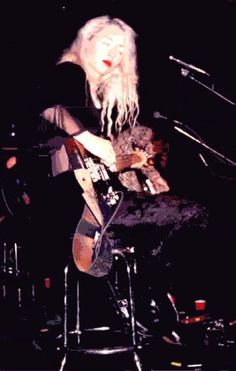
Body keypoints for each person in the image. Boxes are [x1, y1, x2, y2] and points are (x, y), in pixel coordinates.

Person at [30, 15, 209, 342]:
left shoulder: (86, 92)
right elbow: (39, 103)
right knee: (194, 214)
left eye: (121, 48)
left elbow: (94, 162)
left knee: (163, 222)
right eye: (107, 41)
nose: (115, 51)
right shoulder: (69, 72)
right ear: (87, 39)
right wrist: (90, 138)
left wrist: (133, 163)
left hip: (85, 199)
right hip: (72, 204)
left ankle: (139, 298)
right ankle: (144, 294)